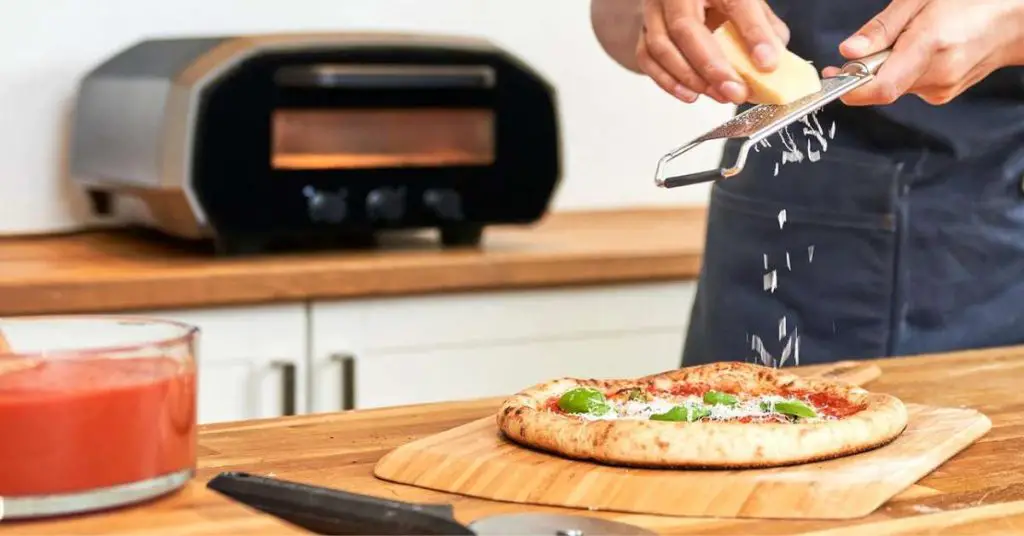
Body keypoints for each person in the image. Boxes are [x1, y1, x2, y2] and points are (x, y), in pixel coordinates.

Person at [590, 0, 1024, 367]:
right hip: (772, 224)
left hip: (994, 237)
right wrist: (666, 22)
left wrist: (1011, 23)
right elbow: (616, 18)